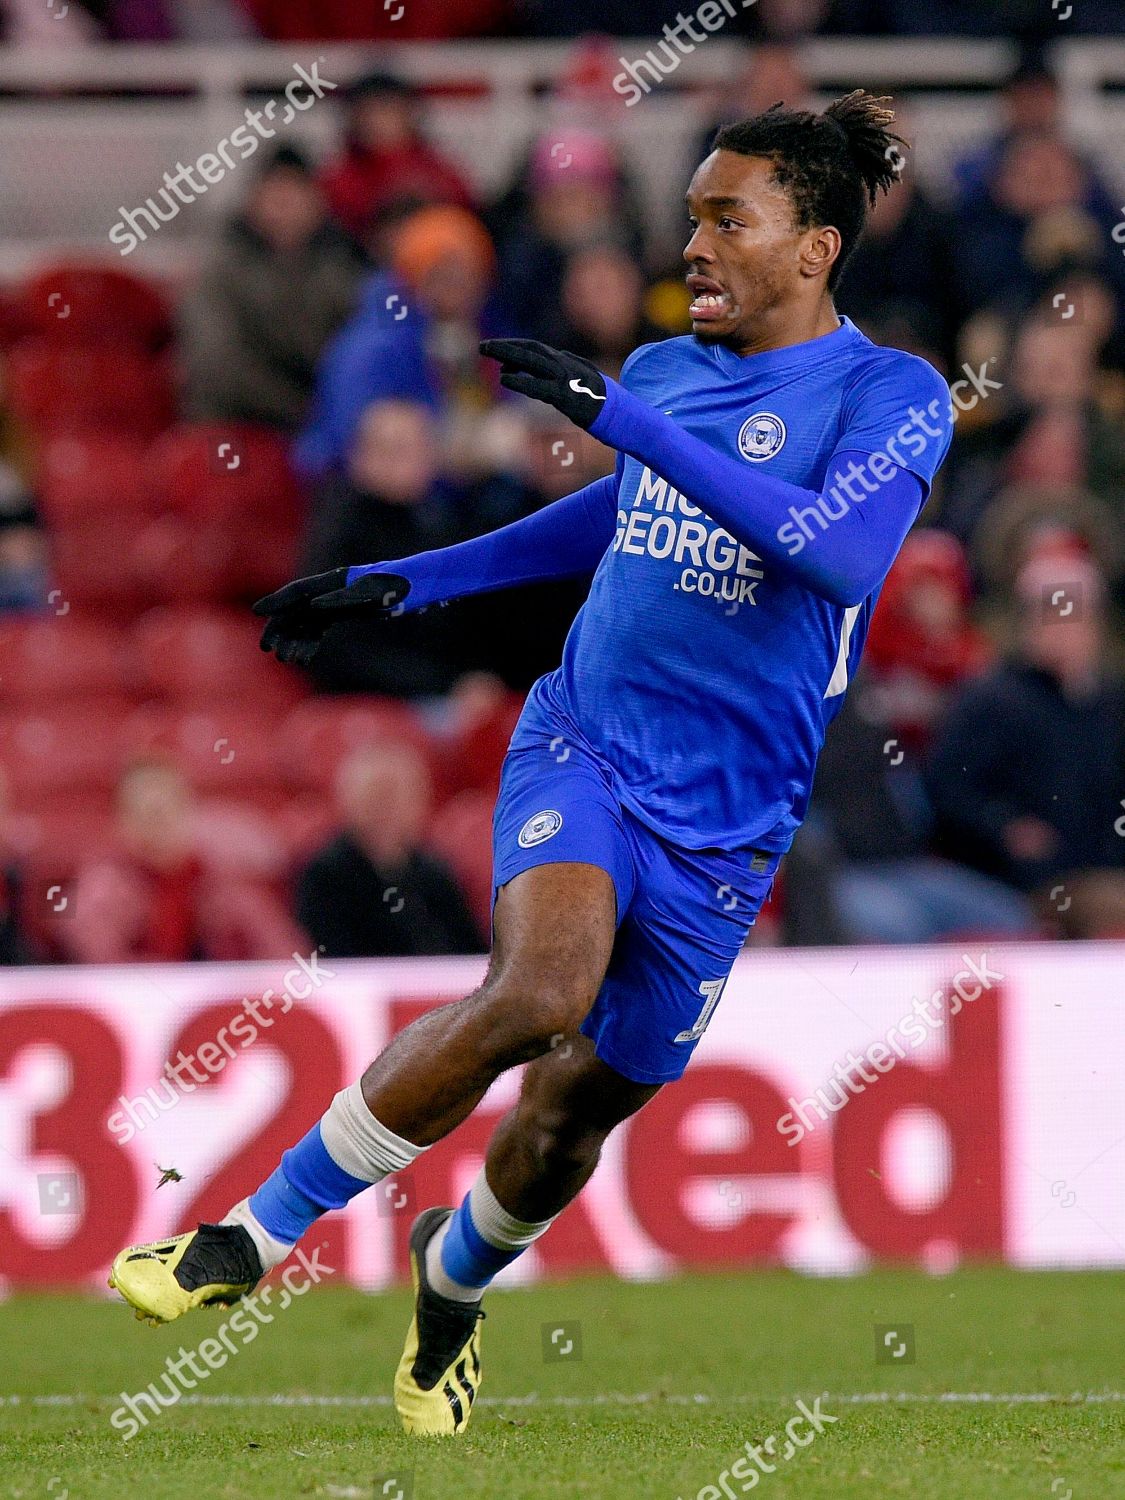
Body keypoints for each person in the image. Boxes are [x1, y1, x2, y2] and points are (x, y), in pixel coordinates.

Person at [110, 93, 955, 1437]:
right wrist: (406, 581)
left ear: (816, 249)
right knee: (538, 988)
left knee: (568, 1128)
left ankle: (451, 1286)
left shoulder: (893, 395)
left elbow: (836, 552)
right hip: (589, 742)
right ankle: (244, 1239)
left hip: (727, 828)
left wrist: (637, 428)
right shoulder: (670, 380)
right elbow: (614, 517)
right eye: (690, 218)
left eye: (729, 220)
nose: (696, 245)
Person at [927, 549, 1125, 937]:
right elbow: (948, 789)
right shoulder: (990, 700)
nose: (1064, 628)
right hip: (1022, 882)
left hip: (1104, 867)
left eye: (1076, 615)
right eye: (1051, 615)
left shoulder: (1111, 702)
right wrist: (1005, 827)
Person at [179, 143, 366, 433]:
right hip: (235, 425)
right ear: (253, 201)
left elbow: (360, 351)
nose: (285, 206)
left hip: (323, 427)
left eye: (296, 194)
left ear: (318, 203)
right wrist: (304, 409)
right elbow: (217, 364)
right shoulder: (220, 269)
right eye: (275, 194)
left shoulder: (344, 269)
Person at [296, 744, 484, 958]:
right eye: (378, 796)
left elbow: (470, 950)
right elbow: (330, 954)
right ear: (350, 801)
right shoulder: (325, 874)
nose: (388, 810)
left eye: (400, 796)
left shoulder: (433, 872)